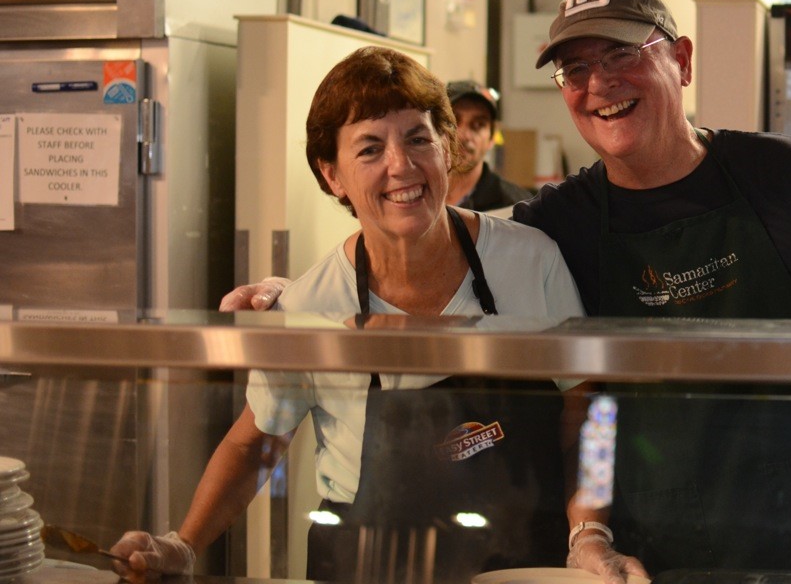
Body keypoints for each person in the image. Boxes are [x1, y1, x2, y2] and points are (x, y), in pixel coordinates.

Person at [226, 0, 791, 584]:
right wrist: (297, 291)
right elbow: (442, 242)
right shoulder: (559, 224)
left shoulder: (788, 180)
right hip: (656, 554)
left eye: (621, 55)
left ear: (682, 59)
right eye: (575, 68)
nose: (598, 83)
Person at [114, 47, 584, 584]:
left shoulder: (530, 260)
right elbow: (255, 442)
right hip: (367, 566)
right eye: (369, 148)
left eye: (417, 138)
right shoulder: (312, 306)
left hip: (525, 564)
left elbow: (589, 408)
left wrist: (589, 532)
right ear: (332, 174)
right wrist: (185, 544)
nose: (400, 166)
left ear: (447, 147)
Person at [446, 79, 535, 212]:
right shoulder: (416, 193)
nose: (463, 135)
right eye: (453, 121)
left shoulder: (515, 207)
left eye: (478, 125)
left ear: (492, 138)